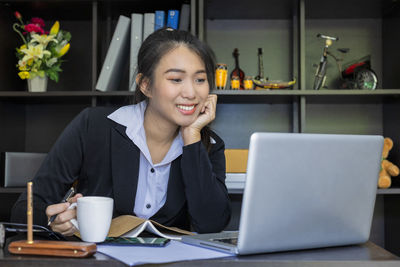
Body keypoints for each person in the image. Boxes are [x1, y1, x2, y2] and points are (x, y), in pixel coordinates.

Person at [10, 28, 231, 235]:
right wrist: (55, 220)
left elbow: (212, 224)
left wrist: (191, 138)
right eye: (176, 79)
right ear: (145, 85)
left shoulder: (208, 143)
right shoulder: (93, 126)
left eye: (200, 79)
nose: (191, 92)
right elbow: (25, 209)